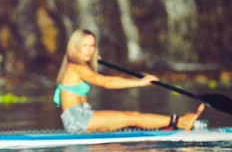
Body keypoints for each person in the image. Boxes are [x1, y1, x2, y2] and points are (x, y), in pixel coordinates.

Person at [54, 28, 205, 132]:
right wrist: (139, 82)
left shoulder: (74, 66)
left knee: (130, 119)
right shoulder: (77, 67)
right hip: (78, 120)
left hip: (81, 117)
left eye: (92, 46)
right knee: (131, 117)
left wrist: (92, 62)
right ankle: (180, 122)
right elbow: (107, 82)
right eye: (84, 45)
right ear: (75, 47)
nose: (89, 50)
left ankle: (174, 123)